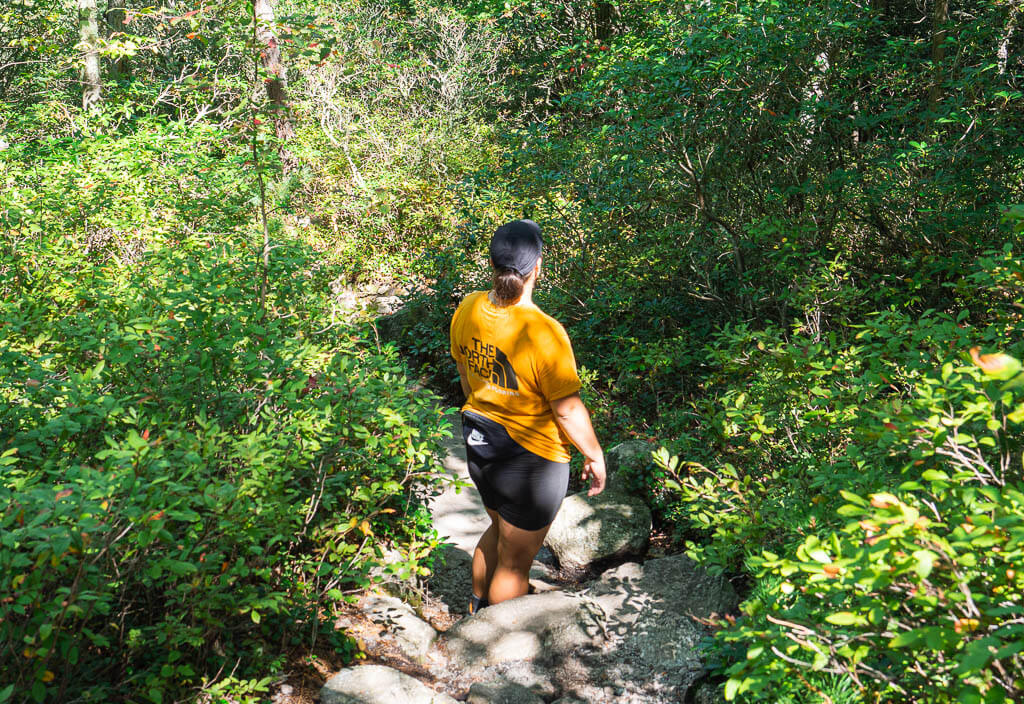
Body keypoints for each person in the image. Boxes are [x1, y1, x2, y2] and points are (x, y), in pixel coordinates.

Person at [449, 218, 606, 614]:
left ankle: (475, 609)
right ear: (538, 267)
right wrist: (594, 455)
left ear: (492, 264)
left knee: (499, 529)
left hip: (480, 442)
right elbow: (567, 410)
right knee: (516, 563)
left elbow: (466, 374)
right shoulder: (544, 332)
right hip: (530, 460)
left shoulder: (469, 307)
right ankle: (499, 642)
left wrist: (486, 409)